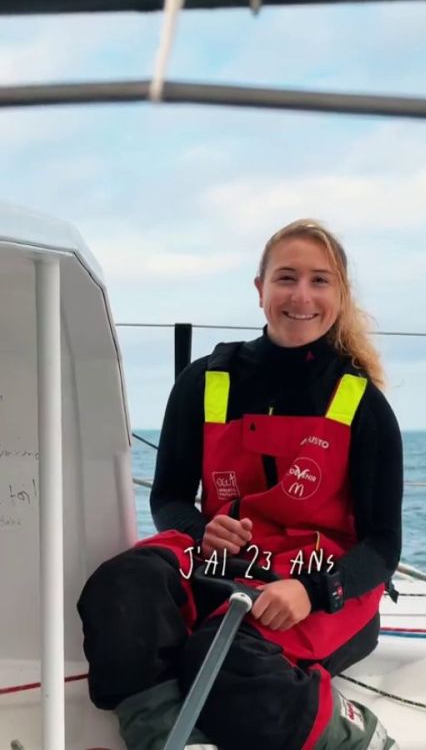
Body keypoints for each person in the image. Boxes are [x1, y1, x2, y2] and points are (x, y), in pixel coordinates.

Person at [77, 219, 403, 750]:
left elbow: (384, 546)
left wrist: (314, 590)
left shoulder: (363, 404)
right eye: (286, 278)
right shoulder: (204, 381)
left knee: (223, 657)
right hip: (223, 566)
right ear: (260, 290)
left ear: (340, 297)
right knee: (121, 584)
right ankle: (167, 739)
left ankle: (353, 735)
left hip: (318, 584)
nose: (301, 296)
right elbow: (170, 498)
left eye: (320, 281)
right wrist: (201, 528)